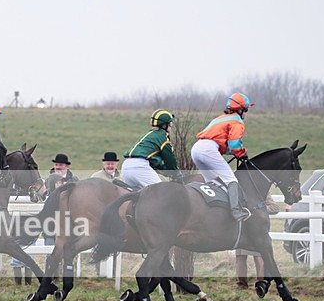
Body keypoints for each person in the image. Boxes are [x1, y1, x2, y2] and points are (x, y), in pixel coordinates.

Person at [191, 92, 253, 222]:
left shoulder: (218, 119)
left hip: (196, 149)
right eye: (246, 110)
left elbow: (223, 143)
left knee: (213, 183)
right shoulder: (237, 122)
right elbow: (235, 145)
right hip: (208, 149)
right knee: (231, 180)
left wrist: (234, 152)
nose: (246, 114)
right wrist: (242, 153)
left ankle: (212, 212)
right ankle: (237, 212)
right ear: (241, 110)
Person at [120, 109, 181, 189]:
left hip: (125, 167)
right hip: (140, 167)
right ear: (164, 125)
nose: (170, 127)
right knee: (162, 192)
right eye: (170, 124)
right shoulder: (163, 138)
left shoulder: (147, 135)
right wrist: (177, 176)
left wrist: (164, 170)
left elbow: (155, 162)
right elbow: (170, 161)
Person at [235, 194, 280, 288]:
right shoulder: (239, 189)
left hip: (258, 230)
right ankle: (241, 284)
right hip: (243, 229)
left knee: (259, 257)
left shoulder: (261, 191)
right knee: (240, 257)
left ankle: (261, 284)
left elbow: (275, 208)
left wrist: (258, 211)